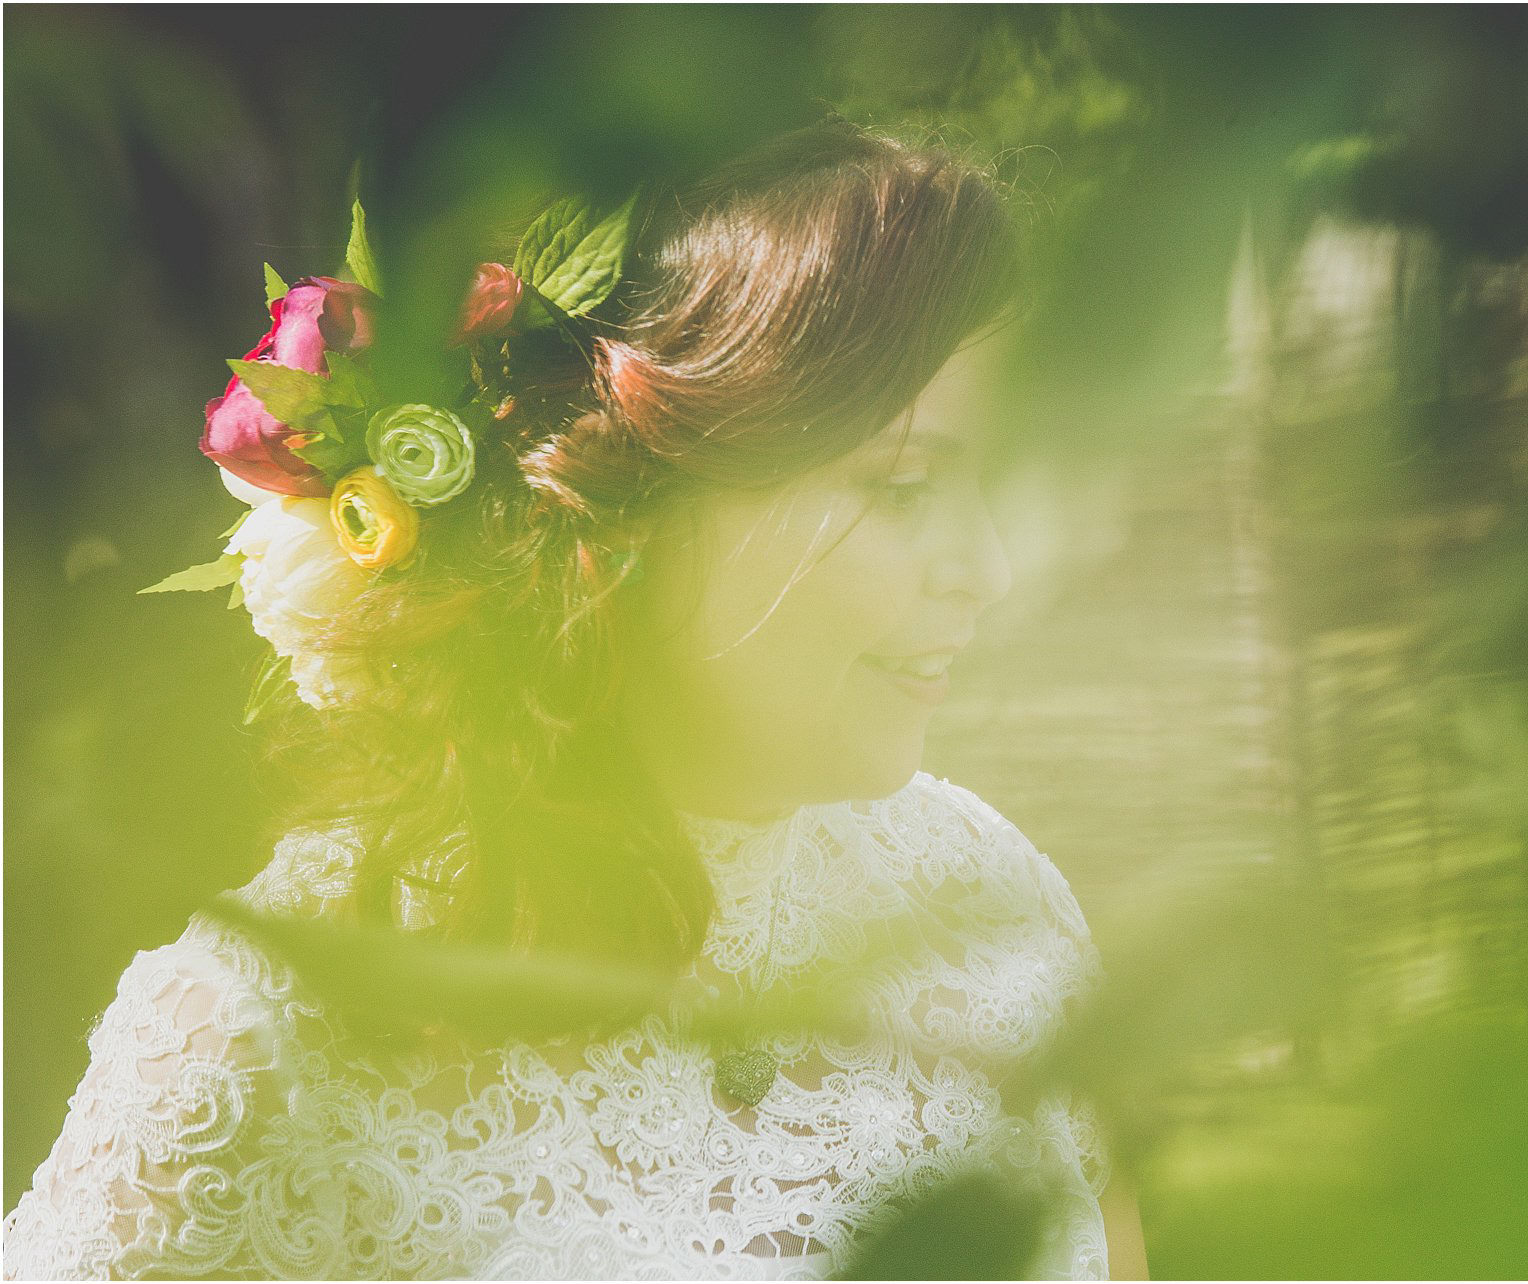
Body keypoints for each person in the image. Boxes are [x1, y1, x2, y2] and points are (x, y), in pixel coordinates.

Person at [1, 119, 1148, 1279]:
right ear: (629, 495)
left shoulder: (989, 900)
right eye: (903, 489)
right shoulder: (269, 1033)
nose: (987, 568)